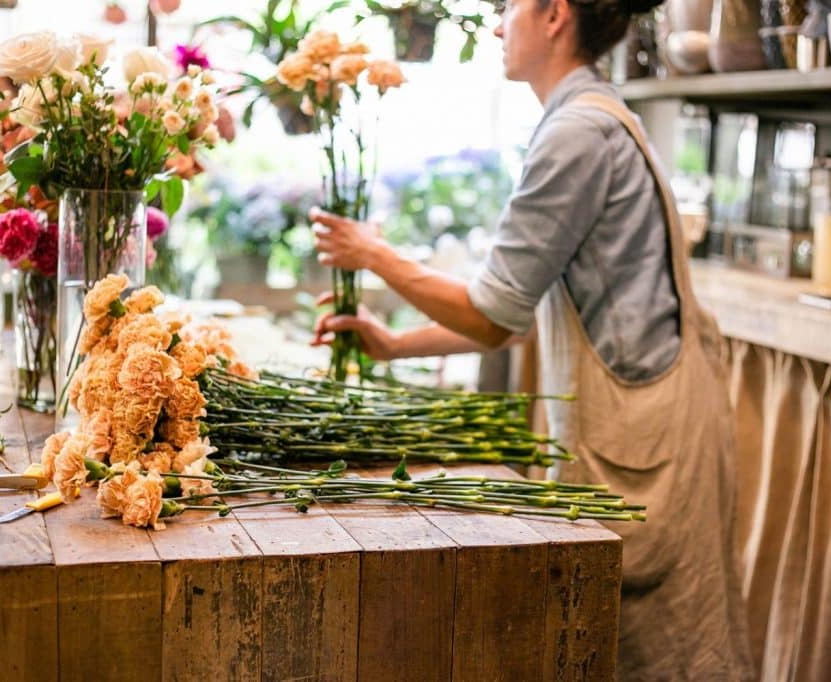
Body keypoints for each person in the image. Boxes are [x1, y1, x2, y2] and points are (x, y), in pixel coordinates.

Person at [309, 0, 754, 678]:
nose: (494, 25)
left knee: (662, 652)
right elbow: (517, 316)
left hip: (647, 447)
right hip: (657, 428)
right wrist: (394, 345)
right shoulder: (596, 117)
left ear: (555, 15)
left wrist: (374, 255)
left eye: (508, 6)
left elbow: (491, 314)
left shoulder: (577, 133)